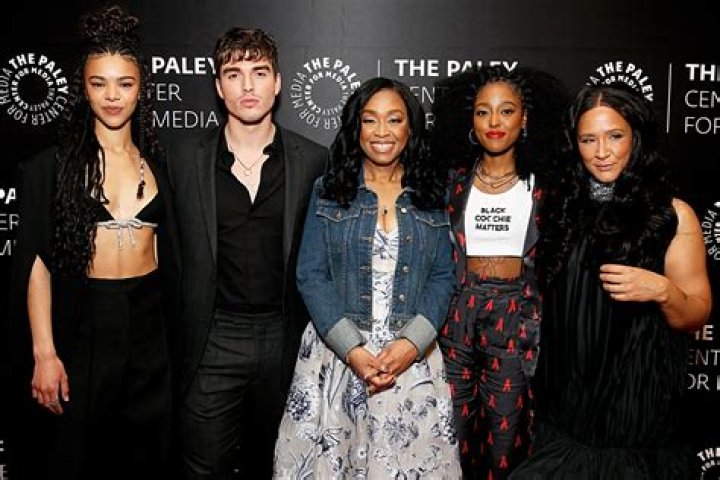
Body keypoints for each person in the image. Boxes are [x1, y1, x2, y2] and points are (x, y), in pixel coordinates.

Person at [8, 5, 178, 479]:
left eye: (125, 83)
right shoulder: (52, 168)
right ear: (83, 89)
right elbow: (36, 266)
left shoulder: (159, 166)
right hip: (84, 325)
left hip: (149, 329)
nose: (112, 96)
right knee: (75, 457)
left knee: (144, 459)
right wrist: (45, 353)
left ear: (141, 88)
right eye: (99, 83)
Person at [510, 83, 711, 479]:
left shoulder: (671, 215)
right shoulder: (562, 210)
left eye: (615, 136)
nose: (602, 151)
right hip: (567, 415)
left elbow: (697, 313)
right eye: (589, 140)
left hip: (635, 415)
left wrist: (663, 290)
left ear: (636, 137)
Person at [273, 77, 461, 478]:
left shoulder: (431, 193)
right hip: (338, 356)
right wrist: (353, 350)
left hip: (410, 361)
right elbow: (311, 275)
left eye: (394, 119)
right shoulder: (329, 190)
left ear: (410, 128)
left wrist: (411, 344)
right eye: (370, 119)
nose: (381, 132)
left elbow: (443, 277)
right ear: (355, 127)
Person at [168, 27, 327, 479]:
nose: (248, 86)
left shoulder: (313, 159)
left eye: (259, 72)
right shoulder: (183, 159)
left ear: (278, 82)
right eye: (234, 74)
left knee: (278, 466)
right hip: (212, 337)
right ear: (219, 88)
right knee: (203, 468)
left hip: (286, 336)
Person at [431, 65, 567, 479]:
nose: (494, 121)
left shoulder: (545, 186)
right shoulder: (452, 183)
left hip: (515, 316)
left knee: (505, 444)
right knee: (447, 436)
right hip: (456, 312)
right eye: (483, 111)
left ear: (525, 119)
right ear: (470, 121)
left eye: (506, 111)